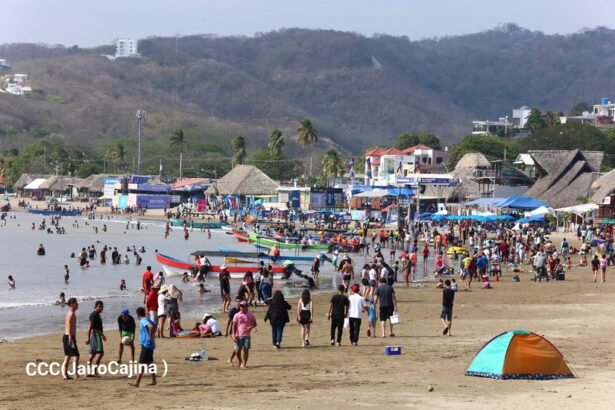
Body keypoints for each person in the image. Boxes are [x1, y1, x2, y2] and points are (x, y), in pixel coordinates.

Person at [129, 307, 157, 388]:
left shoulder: (143, 320)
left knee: (142, 364)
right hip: (150, 344)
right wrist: (152, 336)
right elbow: (155, 325)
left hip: (146, 344)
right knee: (149, 363)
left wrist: (150, 337)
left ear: (138, 315)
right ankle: (154, 380)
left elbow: (151, 327)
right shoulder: (147, 319)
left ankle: (137, 382)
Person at [232, 301, 257, 368]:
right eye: (241, 306)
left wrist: (250, 327)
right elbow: (234, 326)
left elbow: (255, 323)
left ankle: (244, 364)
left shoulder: (251, 315)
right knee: (237, 350)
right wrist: (233, 335)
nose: (242, 308)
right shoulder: (237, 315)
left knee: (246, 350)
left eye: (243, 306)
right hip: (238, 335)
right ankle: (240, 361)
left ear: (246, 307)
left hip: (247, 335)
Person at [62, 298, 82, 380]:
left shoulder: (71, 313)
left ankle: (65, 374)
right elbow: (69, 326)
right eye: (76, 303)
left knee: (68, 356)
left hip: (68, 336)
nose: (77, 304)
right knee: (76, 355)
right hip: (69, 336)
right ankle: (75, 375)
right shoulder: (71, 314)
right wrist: (70, 338)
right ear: (71, 304)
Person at [86, 300, 106, 376]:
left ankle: (89, 371)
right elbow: (90, 327)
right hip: (95, 335)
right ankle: (94, 371)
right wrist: (88, 338)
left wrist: (102, 335)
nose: (101, 308)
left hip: (96, 334)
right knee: (100, 353)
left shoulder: (97, 315)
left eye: (102, 307)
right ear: (95, 307)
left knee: (93, 354)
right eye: (99, 307)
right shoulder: (94, 315)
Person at [225, 297, 242, 366]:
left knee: (238, 346)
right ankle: (239, 361)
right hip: (233, 331)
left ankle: (231, 359)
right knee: (238, 346)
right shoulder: (233, 310)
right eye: (238, 301)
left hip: (241, 331)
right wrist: (226, 331)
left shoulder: (243, 310)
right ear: (236, 302)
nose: (239, 303)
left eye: (240, 301)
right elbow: (229, 321)